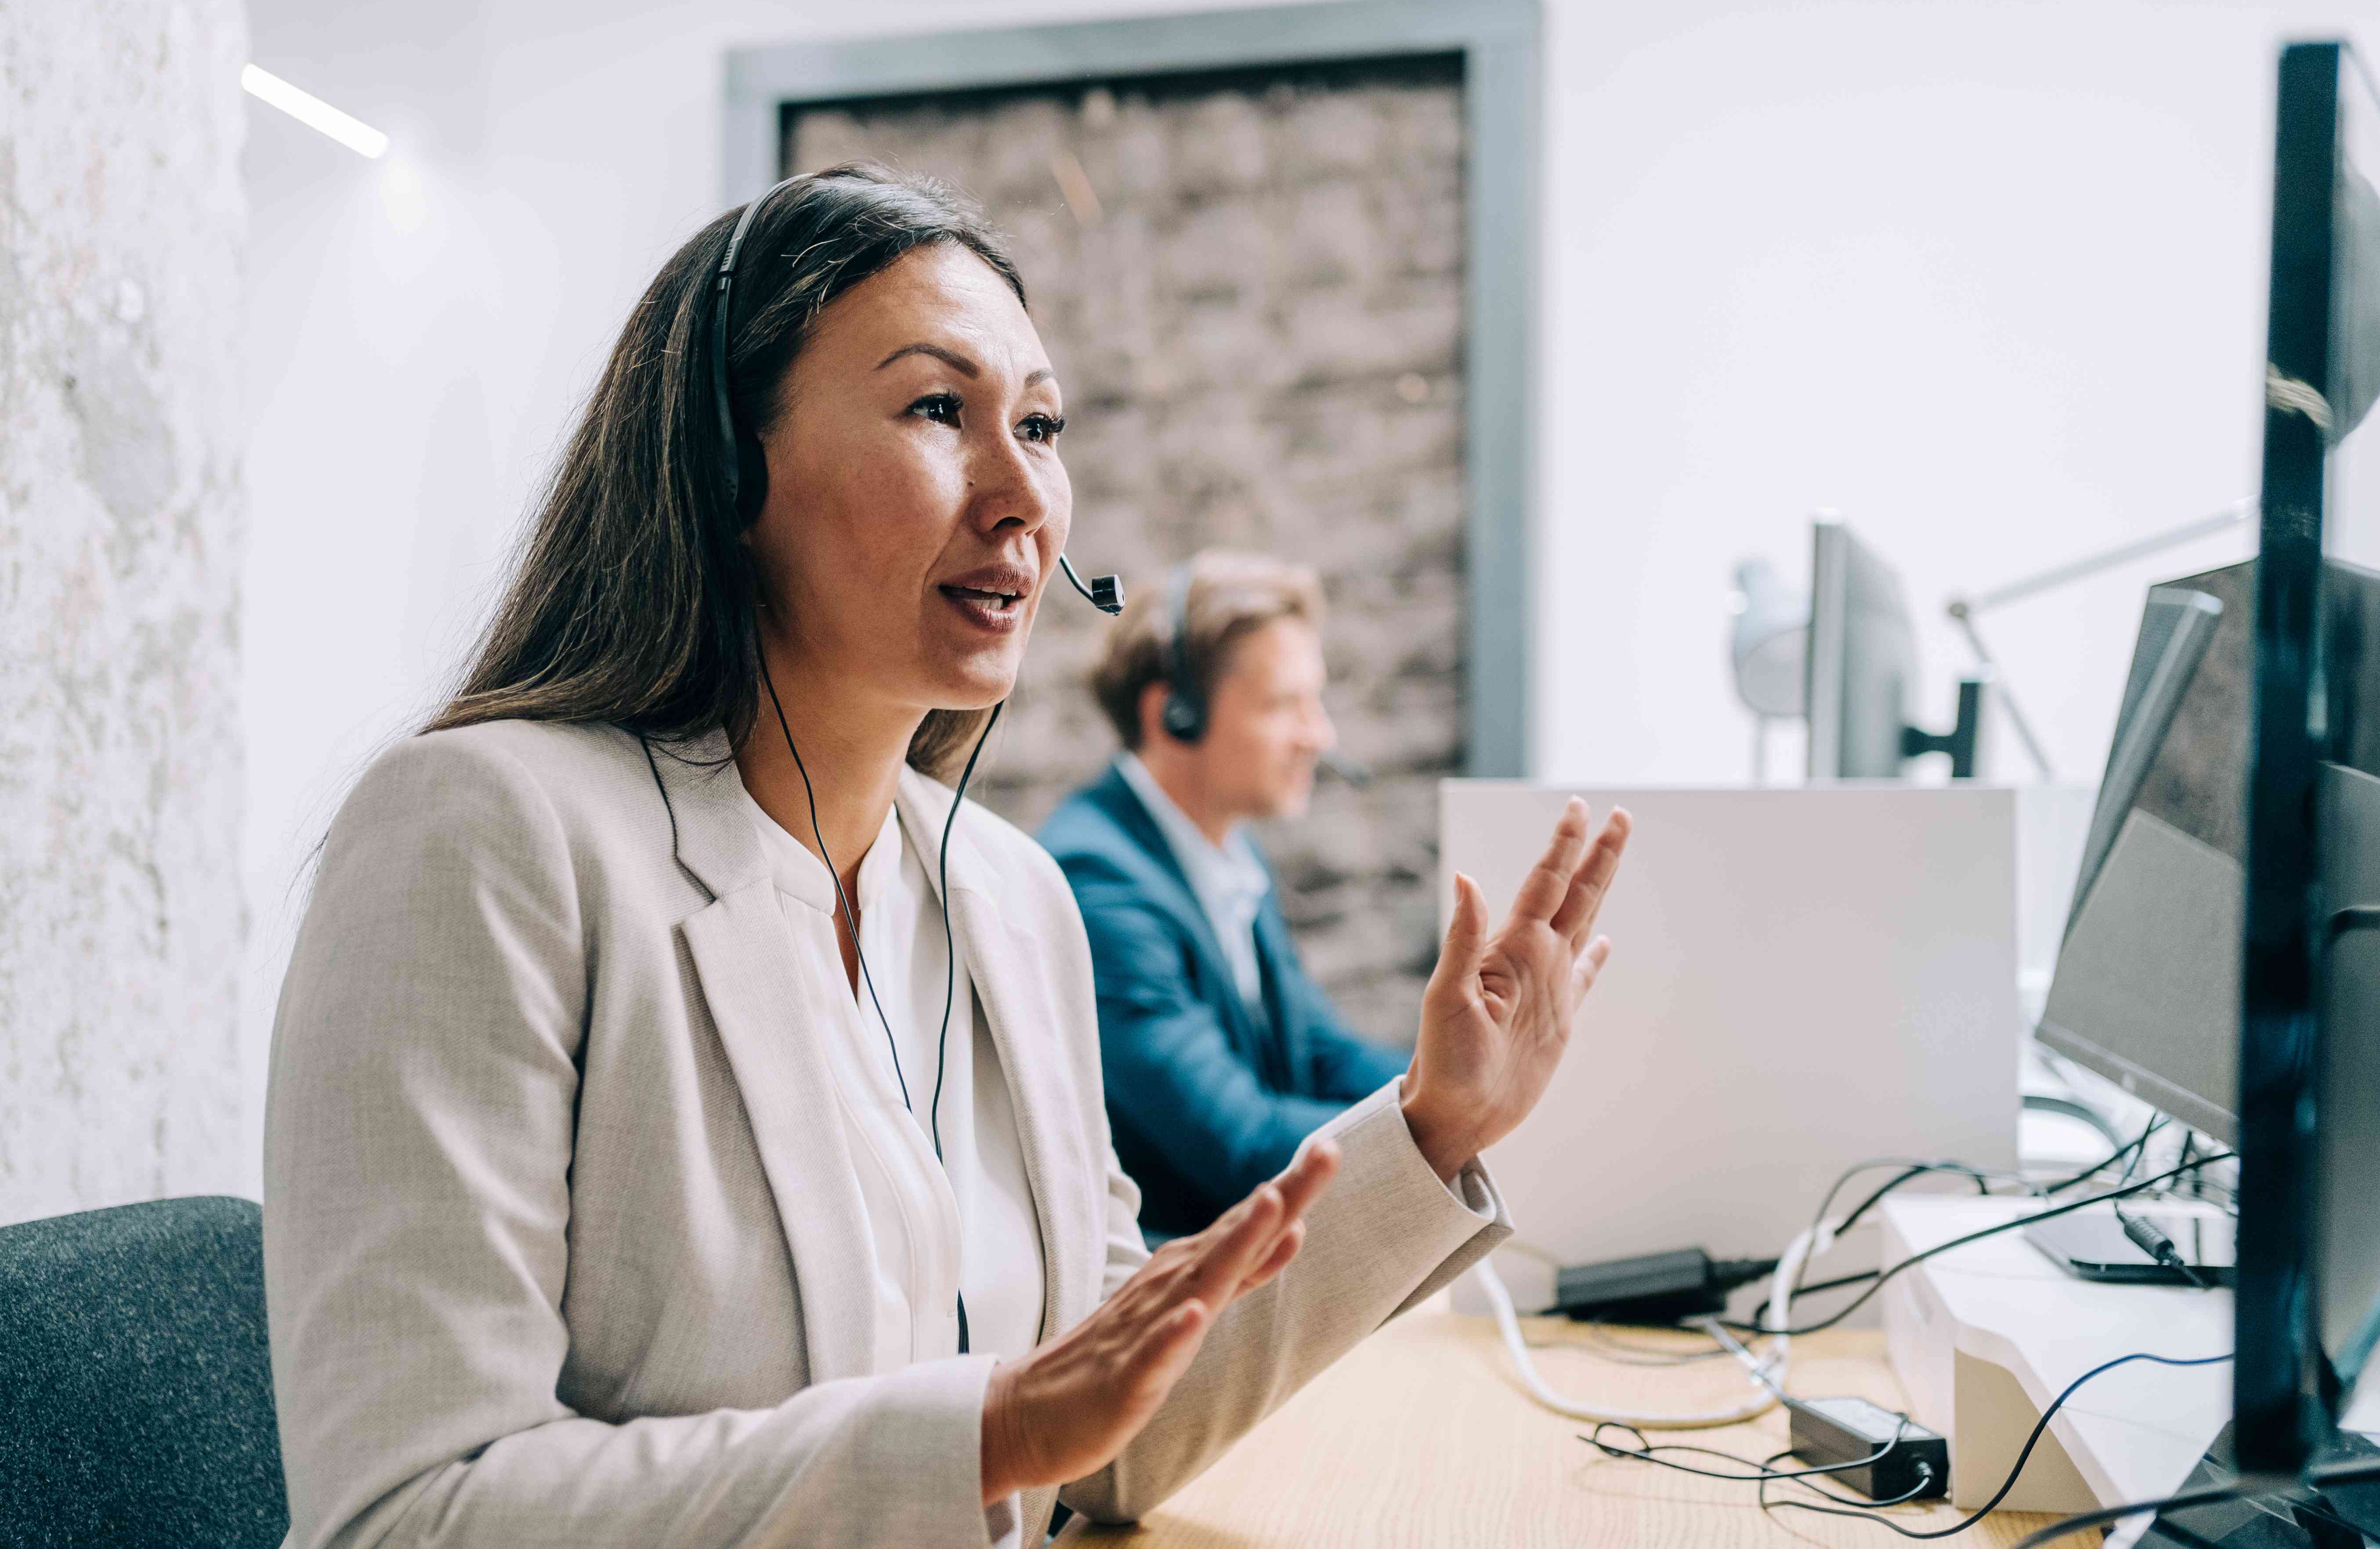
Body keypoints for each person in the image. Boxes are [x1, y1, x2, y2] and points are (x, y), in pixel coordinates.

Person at [261, 163, 1628, 1549]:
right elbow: (405, 1513)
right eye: (937, 408)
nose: (1023, 491)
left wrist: (1434, 1123)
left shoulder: (1011, 898)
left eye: (1039, 424)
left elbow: (1110, 1418)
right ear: (729, 467)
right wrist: (985, 1432)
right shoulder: (483, 835)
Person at [1039, 554, 1409, 1238]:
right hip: (1164, 1297)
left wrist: (1454, 1079)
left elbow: (1321, 1052)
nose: (1320, 735)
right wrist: (1443, 1117)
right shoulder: (1099, 884)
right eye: (1283, 704)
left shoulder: (1225, 850)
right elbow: (1239, 1144)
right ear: (1174, 716)